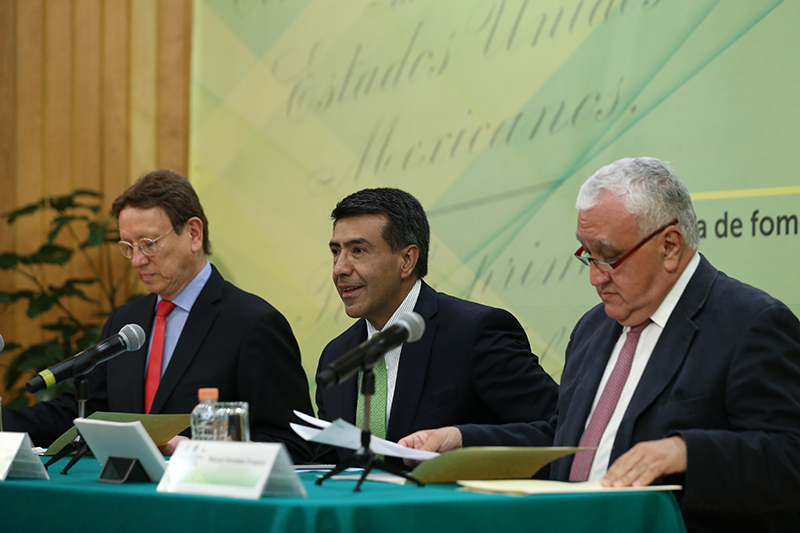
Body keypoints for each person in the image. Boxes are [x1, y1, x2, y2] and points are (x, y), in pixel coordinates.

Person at [400, 157, 800, 532]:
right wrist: (463, 441)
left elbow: (789, 455)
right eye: (587, 255)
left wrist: (685, 452)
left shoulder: (750, 324)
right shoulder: (594, 327)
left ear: (670, 246)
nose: (595, 277)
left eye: (608, 257)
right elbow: (568, 443)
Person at [3, 170, 314, 461]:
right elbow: (78, 413)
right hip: (128, 493)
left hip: (205, 494)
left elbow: (293, 443)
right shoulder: (126, 323)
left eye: (148, 244)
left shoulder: (252, 324)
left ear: (193, 234)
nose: (137, 260)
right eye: (128, 246)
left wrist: (195, 450)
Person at [315, 187, 559, 465]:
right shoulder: (336, 356)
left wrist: (463, 439)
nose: (340, 268)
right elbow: (324, 466)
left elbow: (560, 431)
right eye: (336, 252)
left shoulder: (475, 333)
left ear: (407, 261)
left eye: (358, 251)